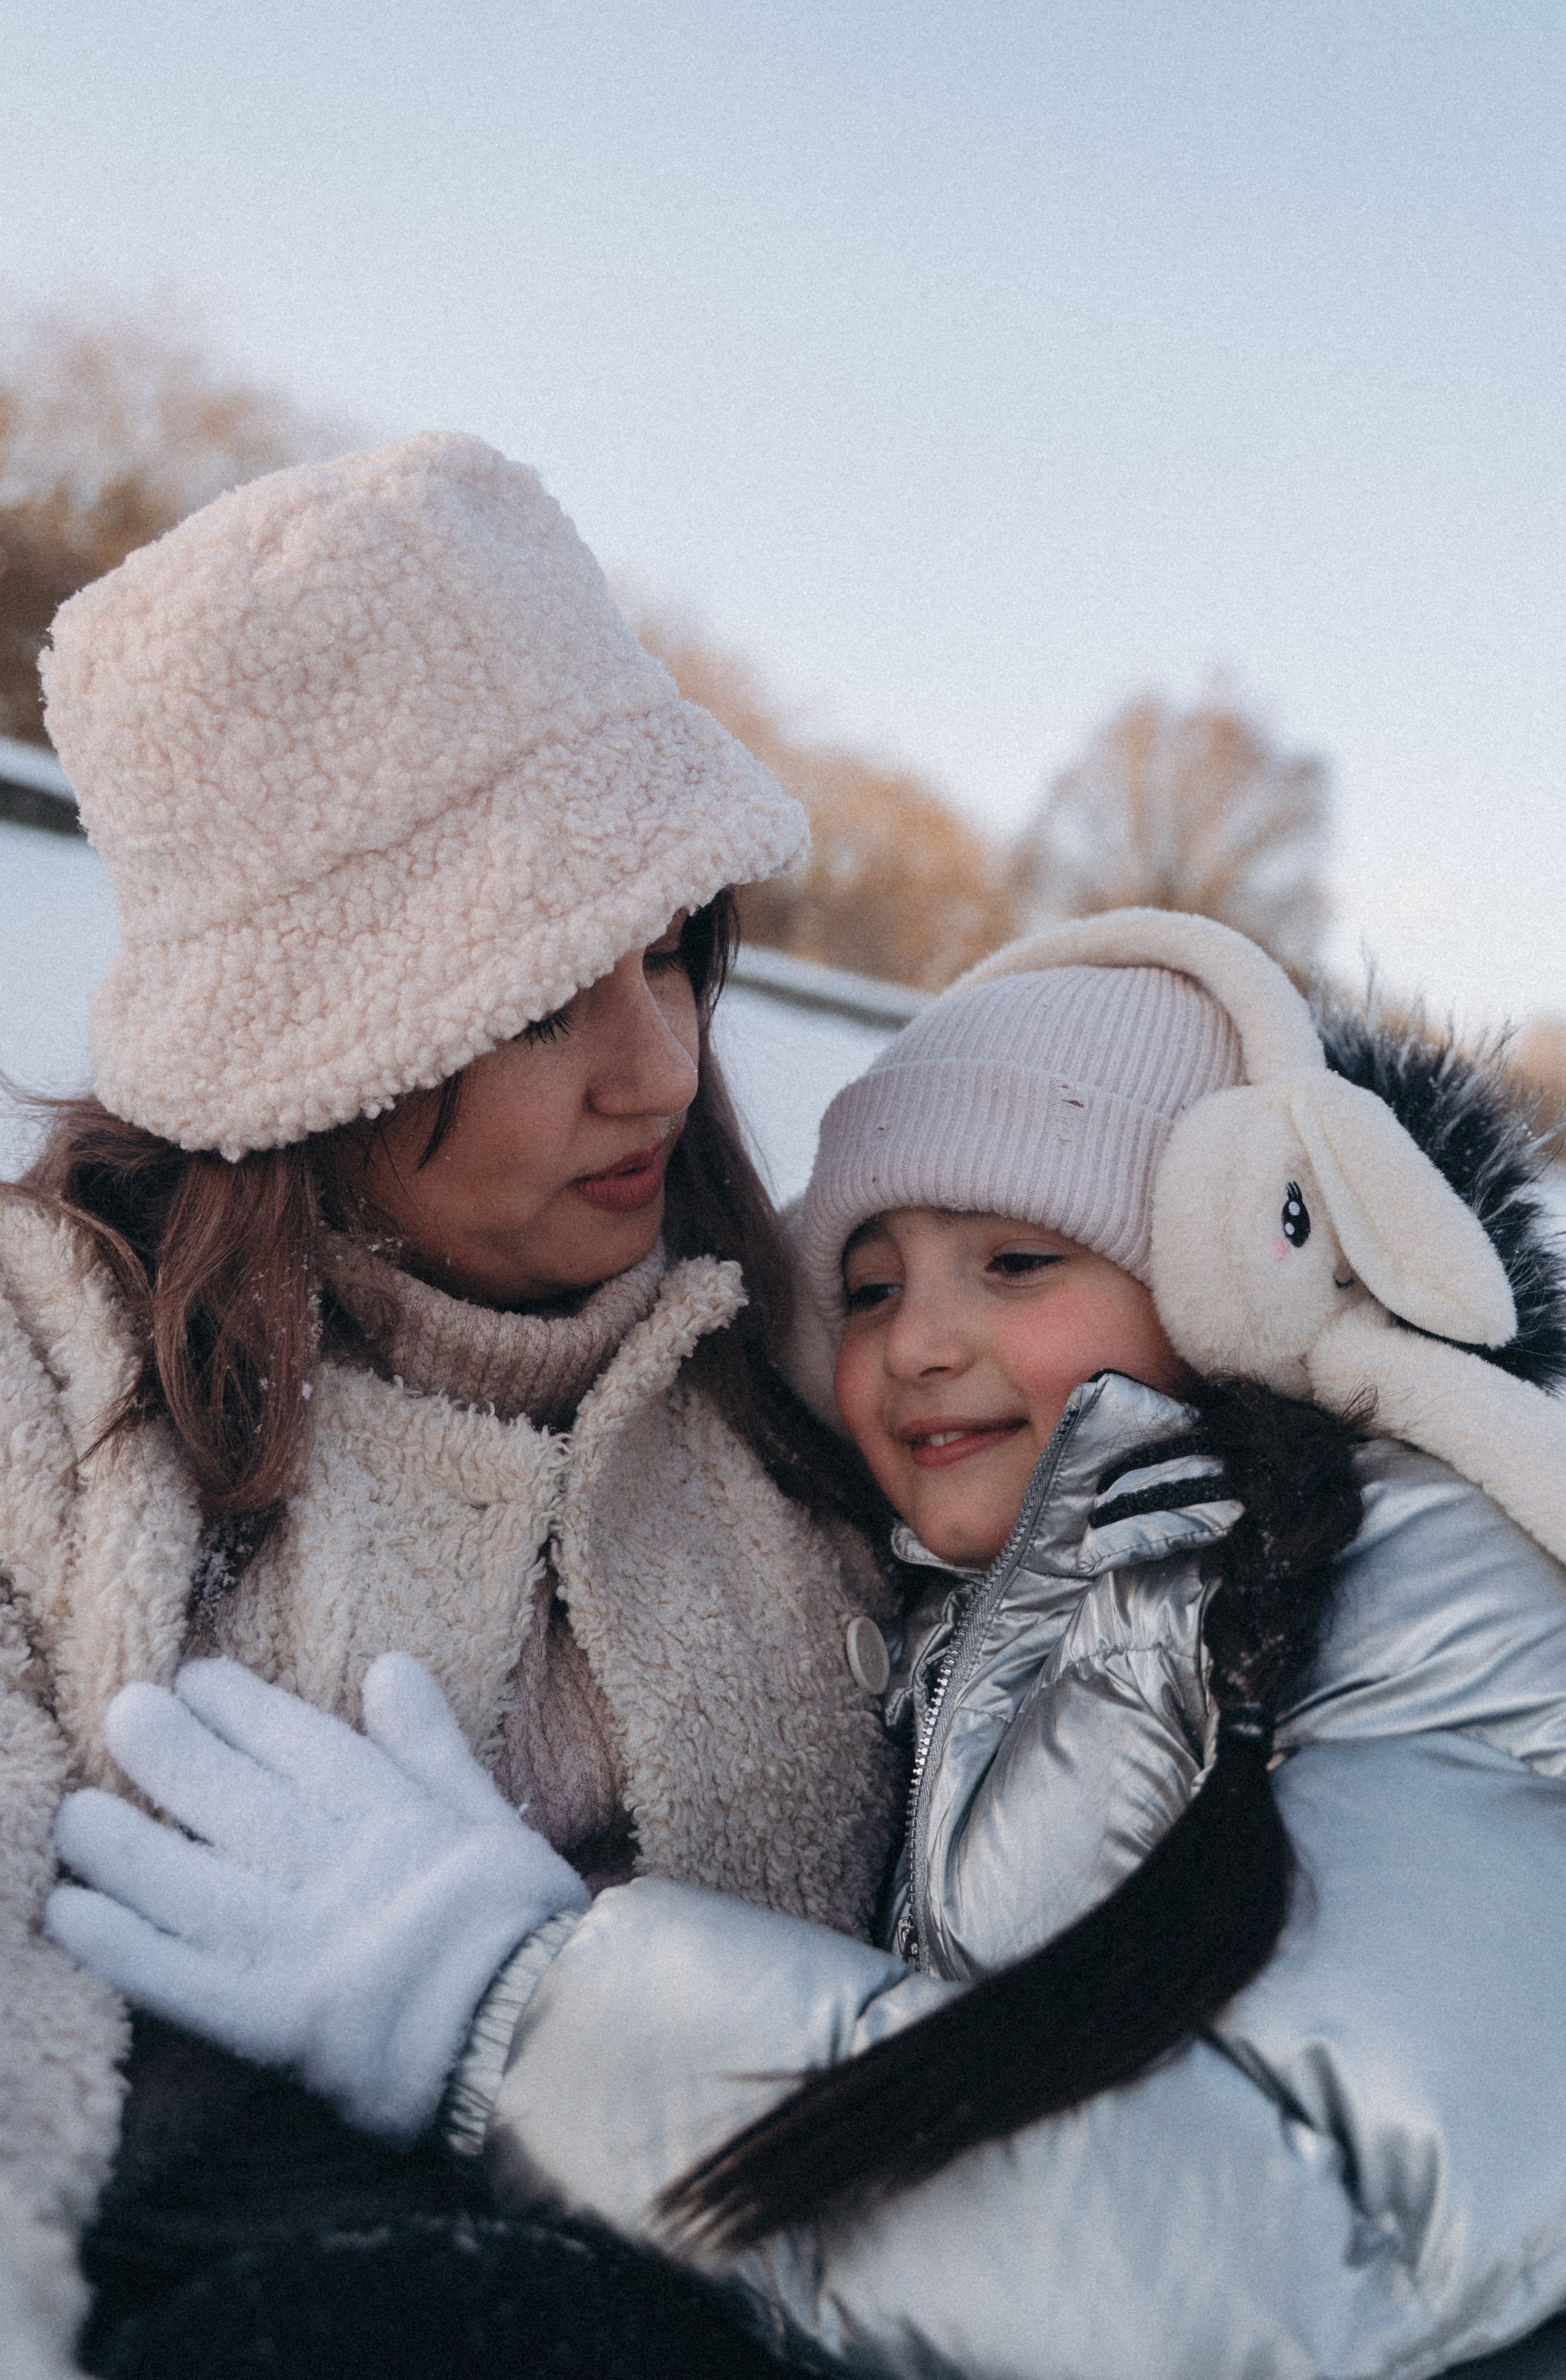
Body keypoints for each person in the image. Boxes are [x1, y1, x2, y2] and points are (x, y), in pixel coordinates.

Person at [51, 908, 1566, 2379]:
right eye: (864, 1286)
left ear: (1233, 1262)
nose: (914, 1341)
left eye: (1017, 1261)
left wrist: (517, 2012)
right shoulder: (953, 1617)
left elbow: (1306, 2241)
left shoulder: (1422, 1579)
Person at [0, 432, 904, 2380]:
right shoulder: (41, 1369)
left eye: (672, 949)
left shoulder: (848, 1366)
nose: (659, 1068)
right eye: (535, 997)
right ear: (321, 1034)